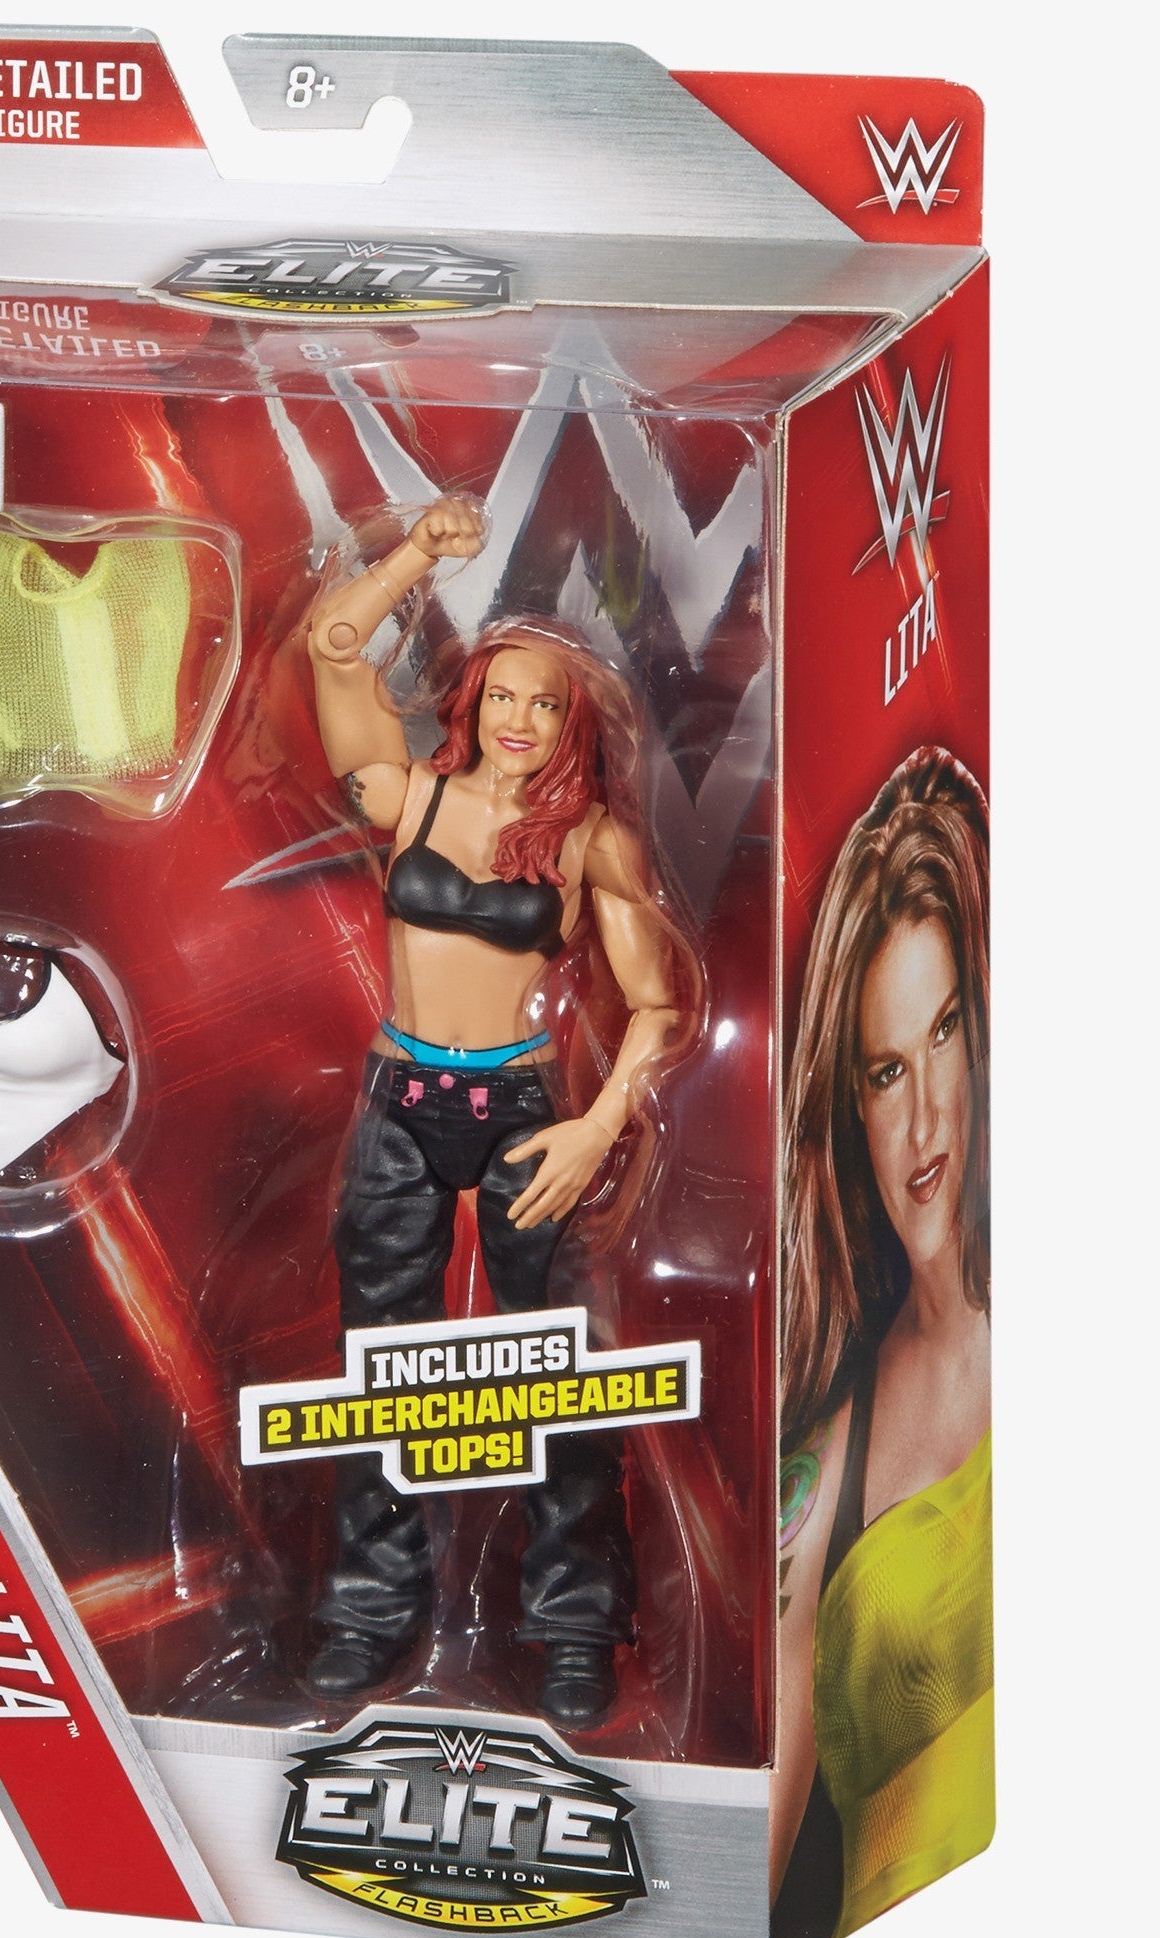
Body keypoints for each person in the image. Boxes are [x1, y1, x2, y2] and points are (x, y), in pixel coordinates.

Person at [300, 494, 680, 1727]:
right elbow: (331, 646)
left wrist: (597, 1122)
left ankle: (573, 1622)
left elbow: (657, 1006)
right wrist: (417, 550)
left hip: (524, 1108)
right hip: (399, 1100)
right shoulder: (406, 798)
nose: (519, 719)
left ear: (572, 722)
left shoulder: (587, 841)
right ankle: (368, 1610)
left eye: (544, 703)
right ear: (471, 702)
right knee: (381, 1366)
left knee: (553, 1363)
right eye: (502, 695)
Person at [770, 748, 992, 1938]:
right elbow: (731, 1864)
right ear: (850, 1110)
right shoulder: (823, 1469)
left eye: (943, 1029)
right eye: (884, 1070)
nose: (923, 1121)